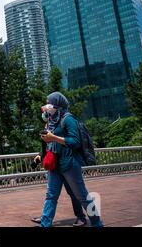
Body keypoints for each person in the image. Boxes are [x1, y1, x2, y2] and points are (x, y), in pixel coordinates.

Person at [38, 92, 103, 227]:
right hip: (55, 164)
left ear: (57, 104)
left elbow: (75, 141)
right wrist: (44, 148)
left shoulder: (68, 119)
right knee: (51, 196)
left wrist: (53, 138)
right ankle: (45, 224)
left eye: (49, 102)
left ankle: (97, 223)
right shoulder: (52, 120)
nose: (47, 105)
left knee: (82, 196)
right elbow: (50, 141)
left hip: (70, 163)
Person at [30, 137, 87, 227]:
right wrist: (41, 155)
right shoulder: (48, 126)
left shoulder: (65, 124)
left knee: (74, 193)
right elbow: (47, 145)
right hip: (54, 167)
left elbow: (72, 142)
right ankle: (45, 219)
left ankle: (82, 217)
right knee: (51, 195)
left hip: (67, 166)